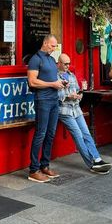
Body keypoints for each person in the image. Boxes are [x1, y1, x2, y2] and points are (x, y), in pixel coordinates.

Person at [57, 54, 112, 174]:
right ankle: (92, 163)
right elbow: (55, 96)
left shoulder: (72, 76)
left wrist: (79, 95)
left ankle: (97, 159)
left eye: (68, 63)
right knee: (78, 135)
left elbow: (77, 89)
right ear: (59, 63)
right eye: (65, 64)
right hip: (65, 111)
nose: (67, 66)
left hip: (76, 109)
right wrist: (67, 96)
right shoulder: (55, 77)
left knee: (86, 134)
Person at [27, 34, 65, 183]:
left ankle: (45, 165)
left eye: (55, 46)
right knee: (40, 134)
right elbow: (32, 82)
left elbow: (52, 79)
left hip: (54, 100)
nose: (54, 48)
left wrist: (59, 82)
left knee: (51, 133)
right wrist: (52, 84)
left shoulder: (51, 59)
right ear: (44, 43)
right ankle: (33, 169)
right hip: (42, 100)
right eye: (52, 45)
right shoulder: (35, 59)